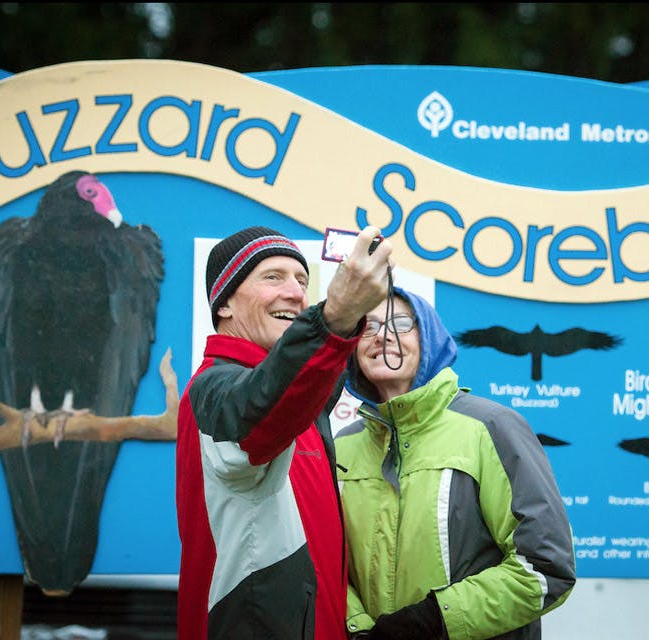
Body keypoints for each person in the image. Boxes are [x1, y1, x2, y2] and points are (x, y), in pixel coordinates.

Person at [176, 225, 393, 640]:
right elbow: (260, 405)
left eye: (302, 280)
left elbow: (304, 380)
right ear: (223, 305)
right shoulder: (212, 390)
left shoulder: (304, 406)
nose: (295, 292)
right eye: (272, 277)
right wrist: (337, 315)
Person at [334, 286, 576, 640]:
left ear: (430, 337)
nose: (382, 335)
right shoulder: (343, 445)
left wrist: (434, 620)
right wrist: (359, 627)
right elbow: (328, 562)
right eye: (367, 326)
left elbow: (545, 567)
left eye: (400, 323)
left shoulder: (490, 428)